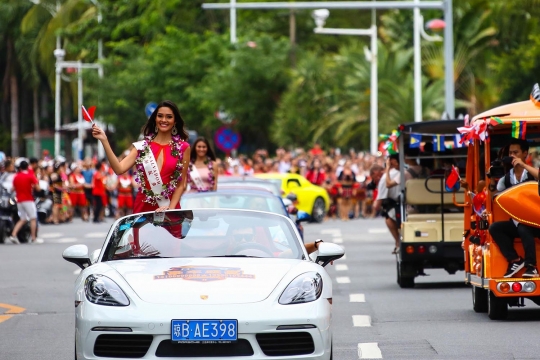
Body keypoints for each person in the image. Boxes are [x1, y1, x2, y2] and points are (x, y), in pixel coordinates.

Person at [92, 100, 191, 213]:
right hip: (143, 209)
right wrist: (104, 140)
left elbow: (181, 185)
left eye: (169, 117)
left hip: (170, 208)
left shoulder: (183, 148)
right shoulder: (143, 146)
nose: (164, 120)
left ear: (175, 121)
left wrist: (170, 210)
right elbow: (119, 169)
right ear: (154, 119)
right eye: (160, 116)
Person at [487, 138, 540, 278]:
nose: (512, 156)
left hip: (536, 221)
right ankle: (515, 260)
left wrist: (523, 165)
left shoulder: (531, 173)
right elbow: (494, 197)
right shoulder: (507, 177)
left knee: (524, 226)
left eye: (516, 152)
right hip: (516, 222)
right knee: (495, 228)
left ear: (525, 154)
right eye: (510, 153)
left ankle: (531, 267)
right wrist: (492, 179)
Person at [9, 160, 43, 244]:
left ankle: (13, 235)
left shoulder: (16, 176)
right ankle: (34, 238)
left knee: (23, 218)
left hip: (19, 200)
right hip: (28, 199)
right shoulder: (30, 176)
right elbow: (38, 188)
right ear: (27, 167)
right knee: (33, 218)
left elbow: (12, 189)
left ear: (20, 167)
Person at [374, 154, 401, 254]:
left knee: (389, 218)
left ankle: (398, 242)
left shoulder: (403, 172)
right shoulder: (401, 172)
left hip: (404, 204)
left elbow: (388, 184)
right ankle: (398, 242)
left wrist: (388, 169)